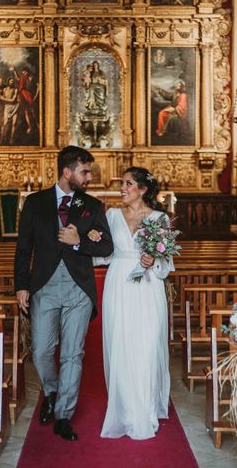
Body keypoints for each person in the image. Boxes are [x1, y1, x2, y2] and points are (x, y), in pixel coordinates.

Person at [14, 145, 113, 441]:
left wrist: (79, 240)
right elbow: (23, 249)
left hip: (78, 289)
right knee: (41, 351)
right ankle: (53, 392)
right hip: (44, 286)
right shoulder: (35, 202)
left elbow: (106, 246)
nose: (90, 177)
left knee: (73, 353)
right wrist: (21, 285)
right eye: (85, 172)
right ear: (67, 172)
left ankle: (64, 415)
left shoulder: (92, 205)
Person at [88, 167, 174, 440]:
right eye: (122, 184)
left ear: (143, 190)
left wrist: (154, 260)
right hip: (119, 284)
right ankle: (125, 409)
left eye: (127, 184)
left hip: (148, 287)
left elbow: (166, 263)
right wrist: (91, 239)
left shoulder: (160, 219)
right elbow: (104, 252)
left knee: (147, 346)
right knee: (121, 343)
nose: (122, 188)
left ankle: (146, 409)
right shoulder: (111, 215)